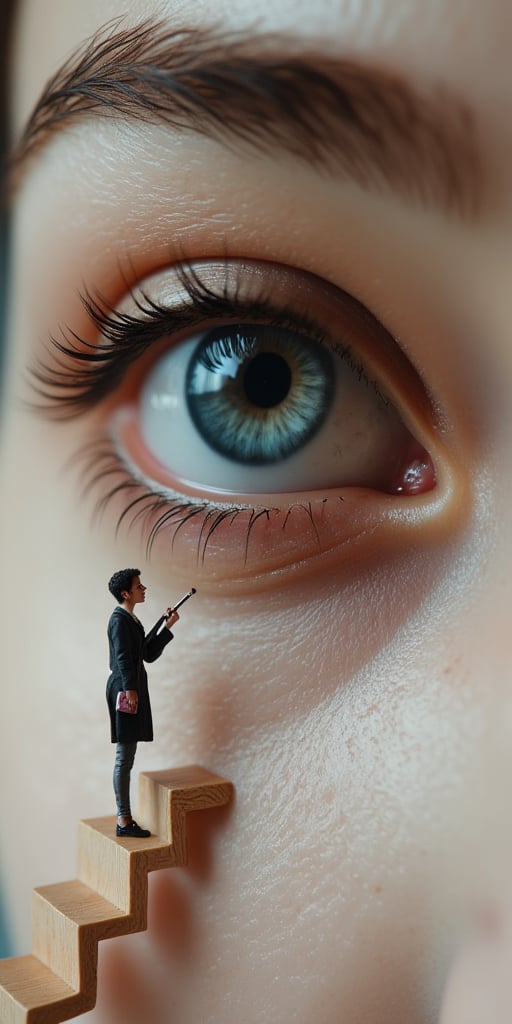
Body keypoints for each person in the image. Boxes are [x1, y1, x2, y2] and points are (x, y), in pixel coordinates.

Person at [1, 1, 512, 1022]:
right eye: (264, 380)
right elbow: (130, 657)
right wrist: (156, 643)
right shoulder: (121, 626)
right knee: (121, 772)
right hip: (134, 716)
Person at [106, 568, 179, 837]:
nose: (144, 588)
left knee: (128, 755)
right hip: (126, 690)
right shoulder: (119, 621)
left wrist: (166, 627)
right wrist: (129, 690)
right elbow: (124, 658)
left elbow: (146, 653)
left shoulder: (132, 619)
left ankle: (124, 817)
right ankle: (123, 820)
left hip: (132, 687)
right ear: (125, 593)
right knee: (124, 757)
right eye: (139, 586)